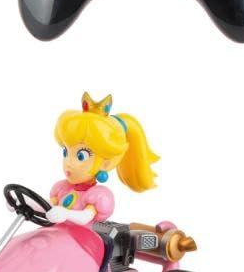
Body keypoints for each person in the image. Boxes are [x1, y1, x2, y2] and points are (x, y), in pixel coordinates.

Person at [46, 93, 159, 227]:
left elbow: (85, 217)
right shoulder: (62, 189)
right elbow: (46, 205)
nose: (68, 162)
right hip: (58, 233)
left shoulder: (98, 195)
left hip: (83, 238)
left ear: (105, 163)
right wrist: (27, 203)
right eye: (66, 152)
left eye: (81, 156)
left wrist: (66, 214)